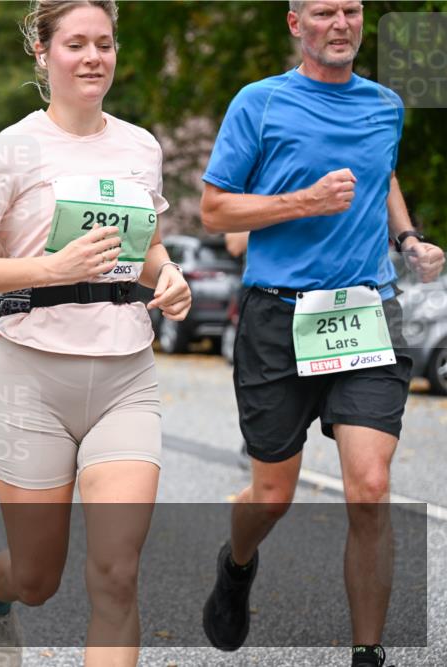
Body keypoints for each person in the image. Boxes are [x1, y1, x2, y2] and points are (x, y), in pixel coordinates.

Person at [0, 2, 192, 664]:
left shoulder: (141, 147)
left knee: (117, 574)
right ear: (43, 53)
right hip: (33, 379)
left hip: (126, 376)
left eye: (104, 43)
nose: (93, 57)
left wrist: (169, 275)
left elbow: (148, 245)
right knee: (36, 579)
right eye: (76, 44)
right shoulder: (11, 149)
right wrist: (47, 269)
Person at [199, 3, 445, 666]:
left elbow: (382, 173)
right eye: (325, 11)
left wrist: (408, 238)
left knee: (369, 486)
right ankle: (237, 563)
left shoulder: (385, 105)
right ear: (295, 23)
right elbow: (215, 208)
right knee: (272, 496)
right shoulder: (259, 103)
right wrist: (303, 201)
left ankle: (368, 653)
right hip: (278, 317)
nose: (341, 23)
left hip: (366, 311)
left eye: (352, 10)